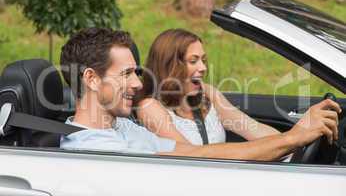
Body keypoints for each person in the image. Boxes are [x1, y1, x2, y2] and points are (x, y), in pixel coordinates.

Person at [59, 27, 340, 161]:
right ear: (92, 79)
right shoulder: (100, 151)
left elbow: (193, 152)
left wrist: (290, 141)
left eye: (136, 72)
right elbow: (197, 160)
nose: (136, 83)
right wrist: (293, 138)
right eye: (126, 74)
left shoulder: (119, 127)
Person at [137, 28, 283, 145]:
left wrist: (291, 142)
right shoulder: (150, 107)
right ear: (170, 65)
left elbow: (253, 128)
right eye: (193, 61)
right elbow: (191, 157)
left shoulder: (207, 93)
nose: (203, 67)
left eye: (203, 60)